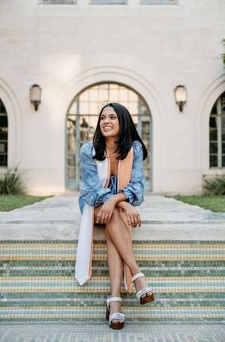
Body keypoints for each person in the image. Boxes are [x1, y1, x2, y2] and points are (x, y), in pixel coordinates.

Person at [75, 102, 154, 330]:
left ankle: (114, 301)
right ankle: (138, 276)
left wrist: (116, 202)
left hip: (113, 208)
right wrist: (122, 203)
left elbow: (138, 188)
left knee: (113, 225)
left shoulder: (134, 149)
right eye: (102, 118)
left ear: (123, 121)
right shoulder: (88, 150)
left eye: (112, 117)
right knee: (114, 215)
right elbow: (91, 190)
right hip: (93, 203)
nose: (106, 122)